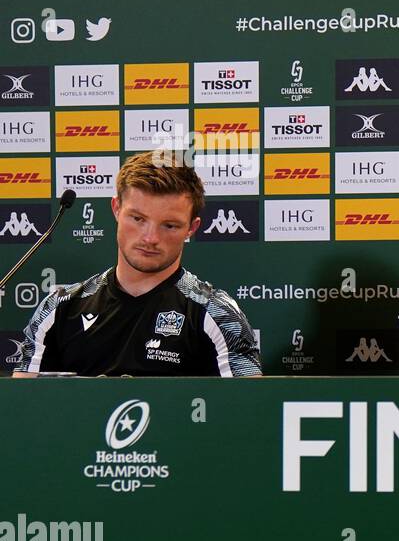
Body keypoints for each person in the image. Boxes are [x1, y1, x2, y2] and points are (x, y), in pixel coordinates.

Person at [12, 151, 261, 377]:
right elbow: (21, 410)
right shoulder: (59, 308)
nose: (150, 238)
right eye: (138, 218)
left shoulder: (217, 314)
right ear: (116, 209)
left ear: (191, 228)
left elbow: (248, 414)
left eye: (169, 225)